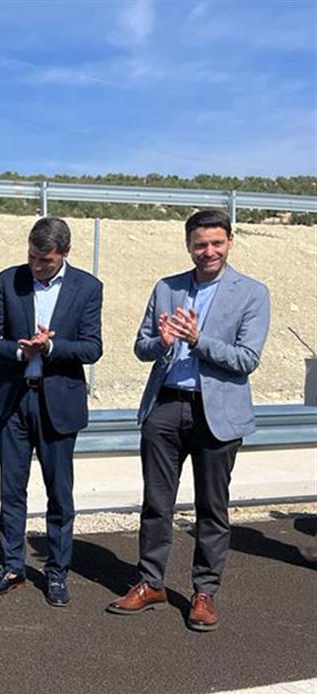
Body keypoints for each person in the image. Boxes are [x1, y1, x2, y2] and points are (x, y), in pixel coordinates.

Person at [108, 209, 270, 631]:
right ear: (188, 246)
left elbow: (246, 360)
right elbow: (140, 346)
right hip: (165, 406)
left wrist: (198, 341)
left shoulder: (252, 293)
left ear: (230, 242)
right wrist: (161, 342)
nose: (208, 252)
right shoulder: (167, 287)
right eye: (200, 245)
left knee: (212, 508)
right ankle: (150, 582)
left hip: (216, 412)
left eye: (216, 243)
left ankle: (204, 591)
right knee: (156, 503)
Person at [0, 217, 104, 606]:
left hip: (58, 404)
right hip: (12, 400)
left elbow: (92, 347)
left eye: (44, 261)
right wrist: (19, 350)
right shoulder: (8, 280)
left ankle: (57, 571)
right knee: (12, 490)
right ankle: (13, 565)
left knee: (59, 493)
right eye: (32, 257)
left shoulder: (87, 288)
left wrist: (50, 348)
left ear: (63, 254)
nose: (36, 266)